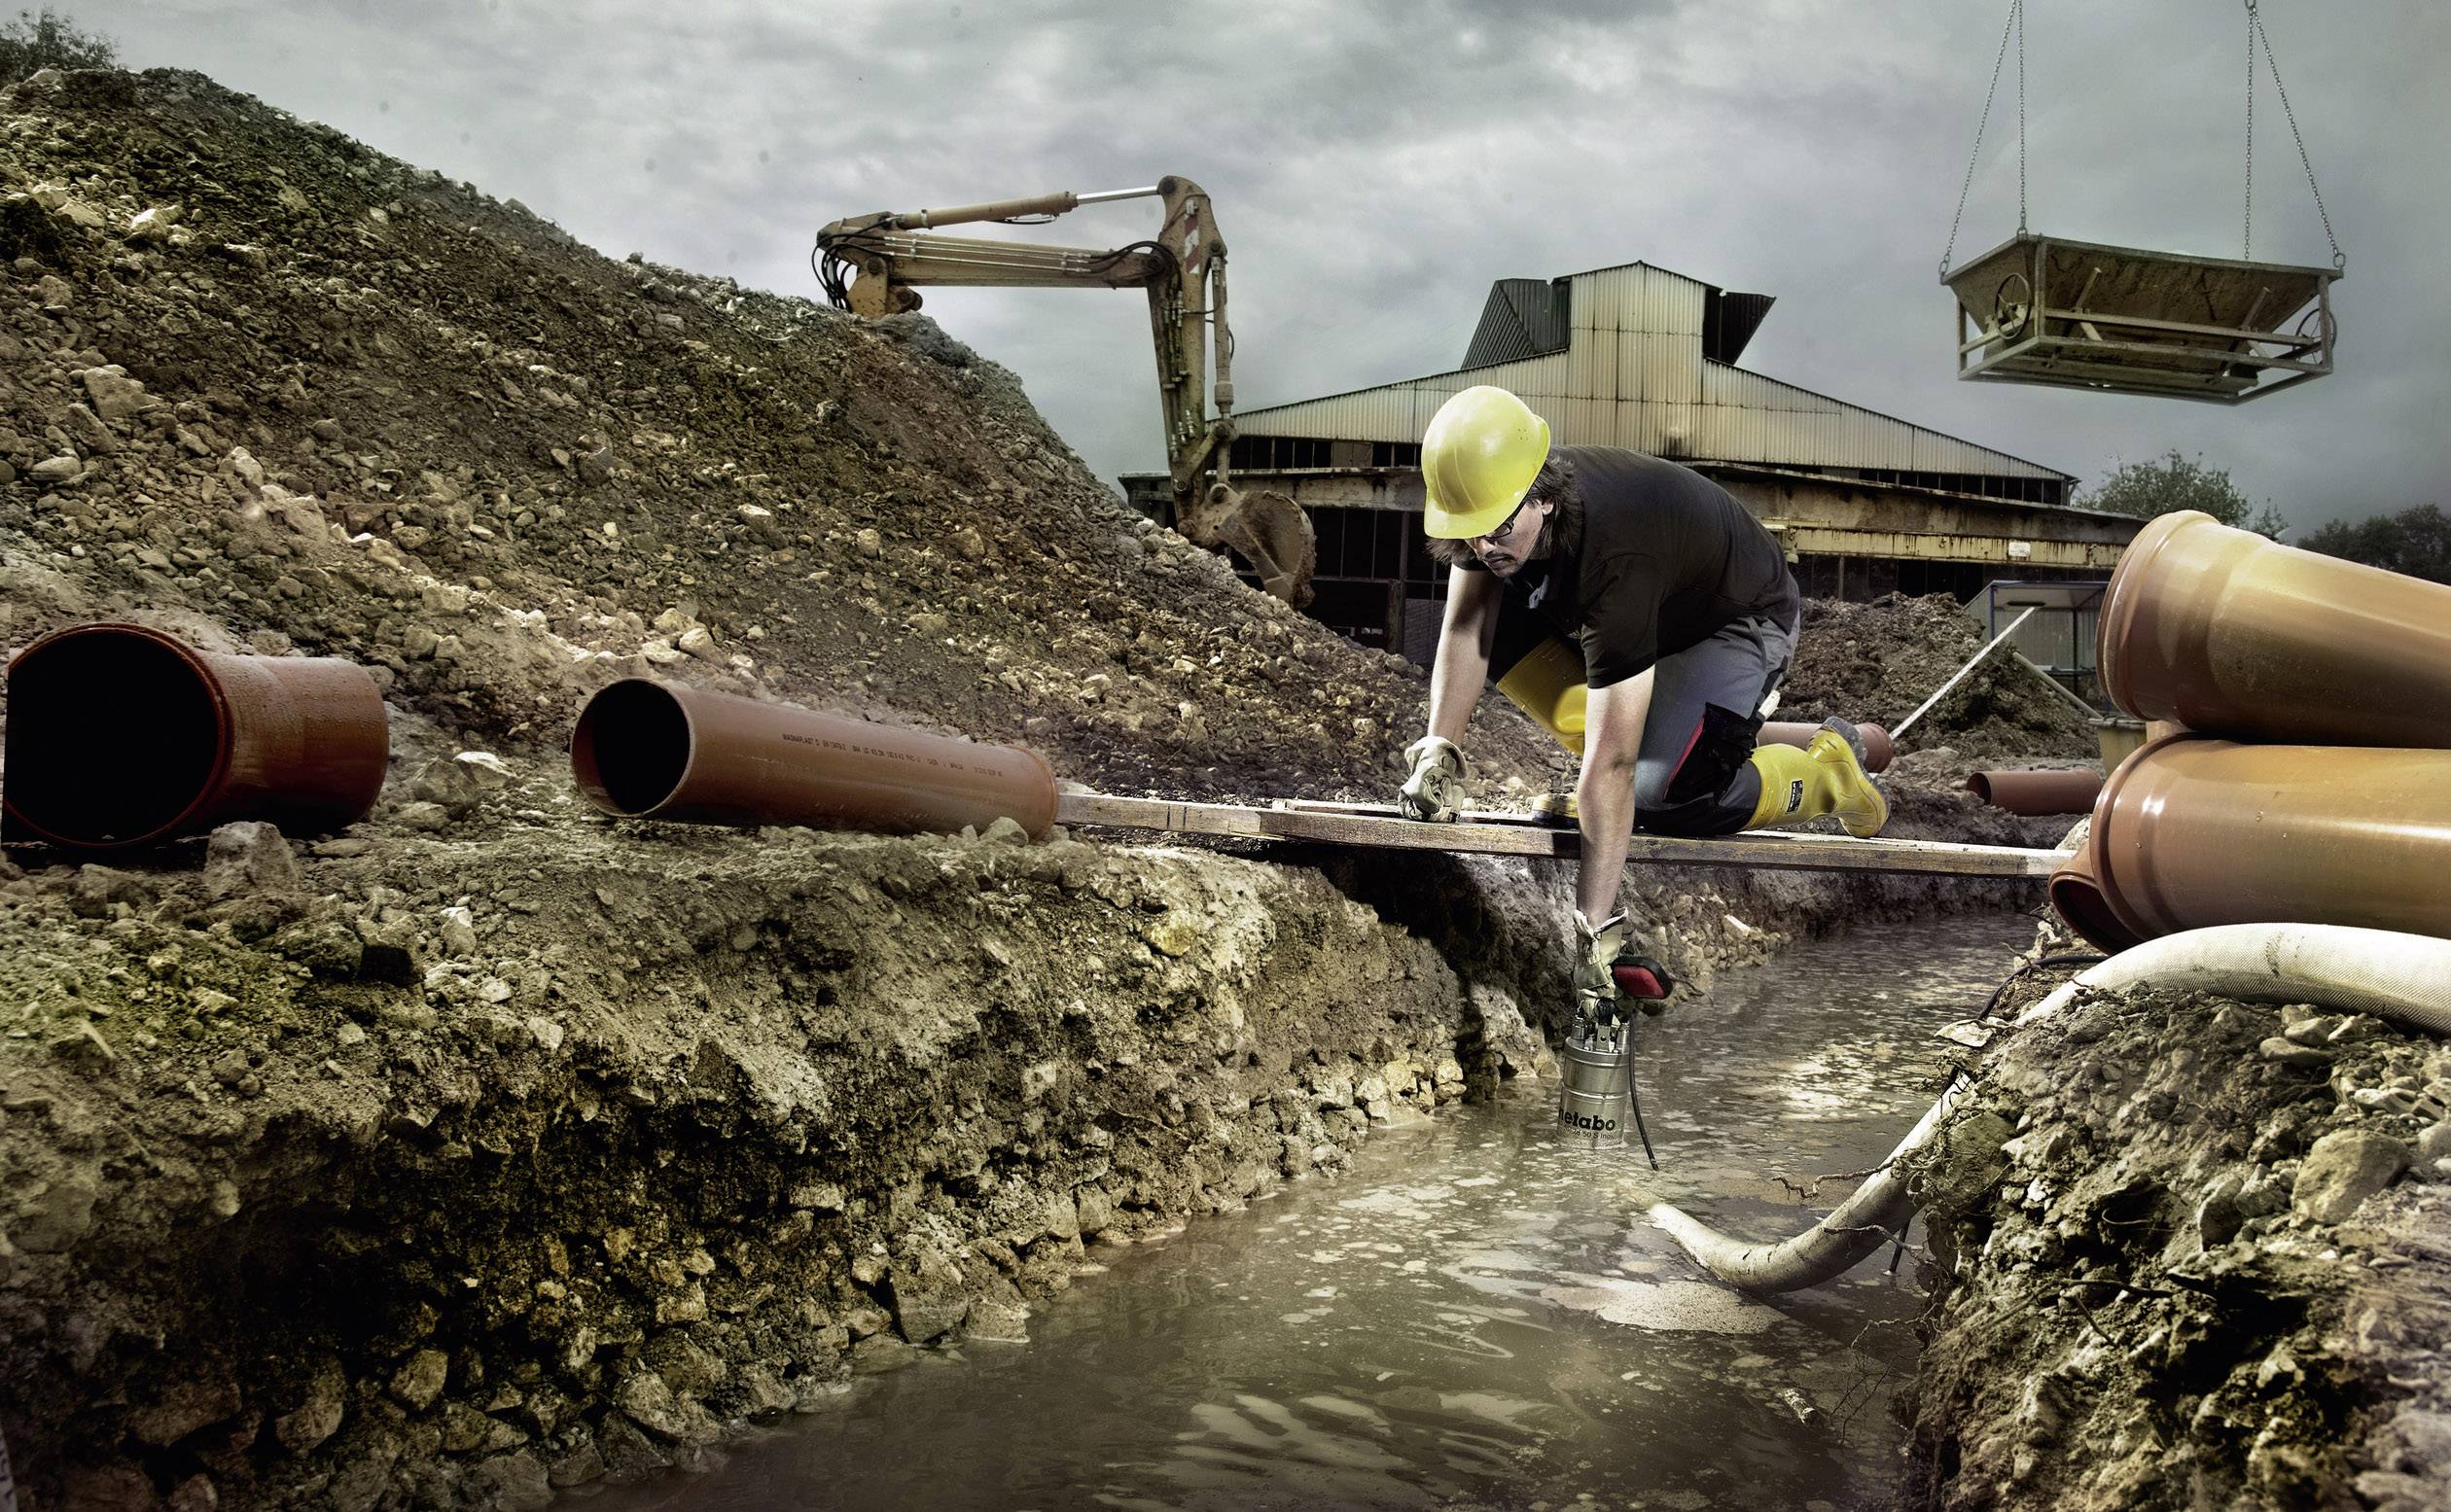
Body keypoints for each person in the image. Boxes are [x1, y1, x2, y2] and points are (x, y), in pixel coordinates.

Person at [1395, 385, 1887, 1024]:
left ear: (1543, 494)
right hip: (1659, 611)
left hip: (1734, 620)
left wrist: (1594, 939)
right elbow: (1466, 632)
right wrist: (1441, 753)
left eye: (1498, 527)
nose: (1486, 546)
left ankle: (1828, 770)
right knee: (1503, 618)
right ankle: (1697, 741)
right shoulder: (1497, 505)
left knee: (1666, 793)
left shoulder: (1613, 554)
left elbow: (1616, 761)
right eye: (1471, 532)